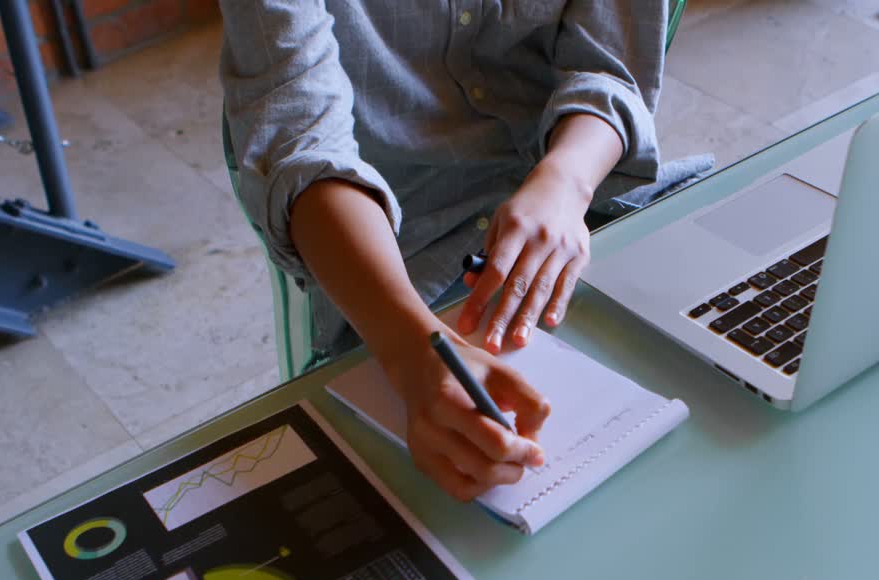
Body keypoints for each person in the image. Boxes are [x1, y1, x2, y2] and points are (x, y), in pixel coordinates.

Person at [220, 2, 708, 502]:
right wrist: (412, 355)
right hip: (401, 272)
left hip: (596, 203)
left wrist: (565, 184)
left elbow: (610, 67)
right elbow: (301, 148)